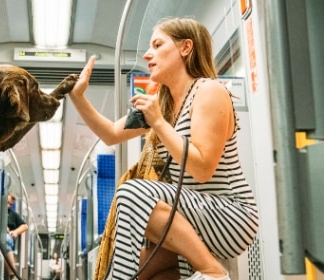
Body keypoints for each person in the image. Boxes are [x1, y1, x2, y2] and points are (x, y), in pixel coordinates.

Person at [68, 17, 259, 279]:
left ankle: (212, 272)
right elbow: (111, 134)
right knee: (143, 271)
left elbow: (202, 169)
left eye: (157, 45)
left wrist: (158, 122)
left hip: (229, 214)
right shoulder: (165, 103)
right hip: (192, 216)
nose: (148, 54)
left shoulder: (209, 91)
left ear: (185, 48)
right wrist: (78, 98)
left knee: (131, 193)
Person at [5, 194, 28, 280]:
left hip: (7, 237)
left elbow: (25, 226)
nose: (8, 205)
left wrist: (15, 232)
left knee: (6, 240)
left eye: (10, 204)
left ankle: (12, 276)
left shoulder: (12, 214)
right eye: (7, 203)